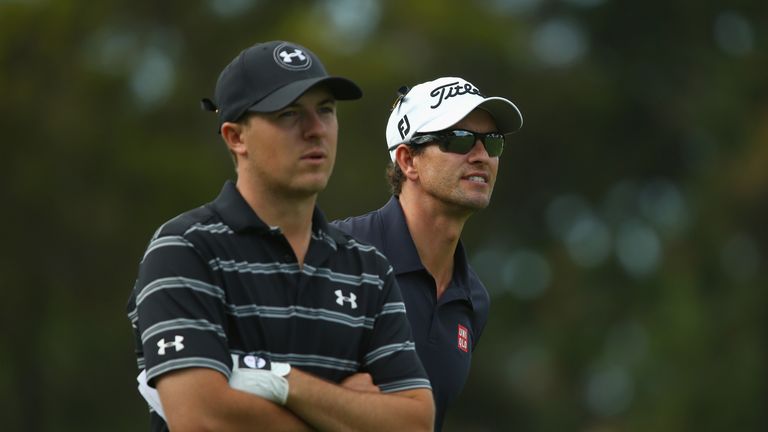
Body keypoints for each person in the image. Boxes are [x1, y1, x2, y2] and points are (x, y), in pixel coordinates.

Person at [126, 40, 434, 432]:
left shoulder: (367, 269)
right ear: (236, 137)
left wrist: (278, 381)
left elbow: (415, 422)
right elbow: (201, 419)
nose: (315, 130)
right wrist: (349, 412)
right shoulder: (185, 250)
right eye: (289, 114)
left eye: (325, 110)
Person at [332, 76, 523, 431]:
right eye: (460, 139)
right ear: (408, 161)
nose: (481, 155)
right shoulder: (337, 253)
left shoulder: (473, 299)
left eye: (491, 142)